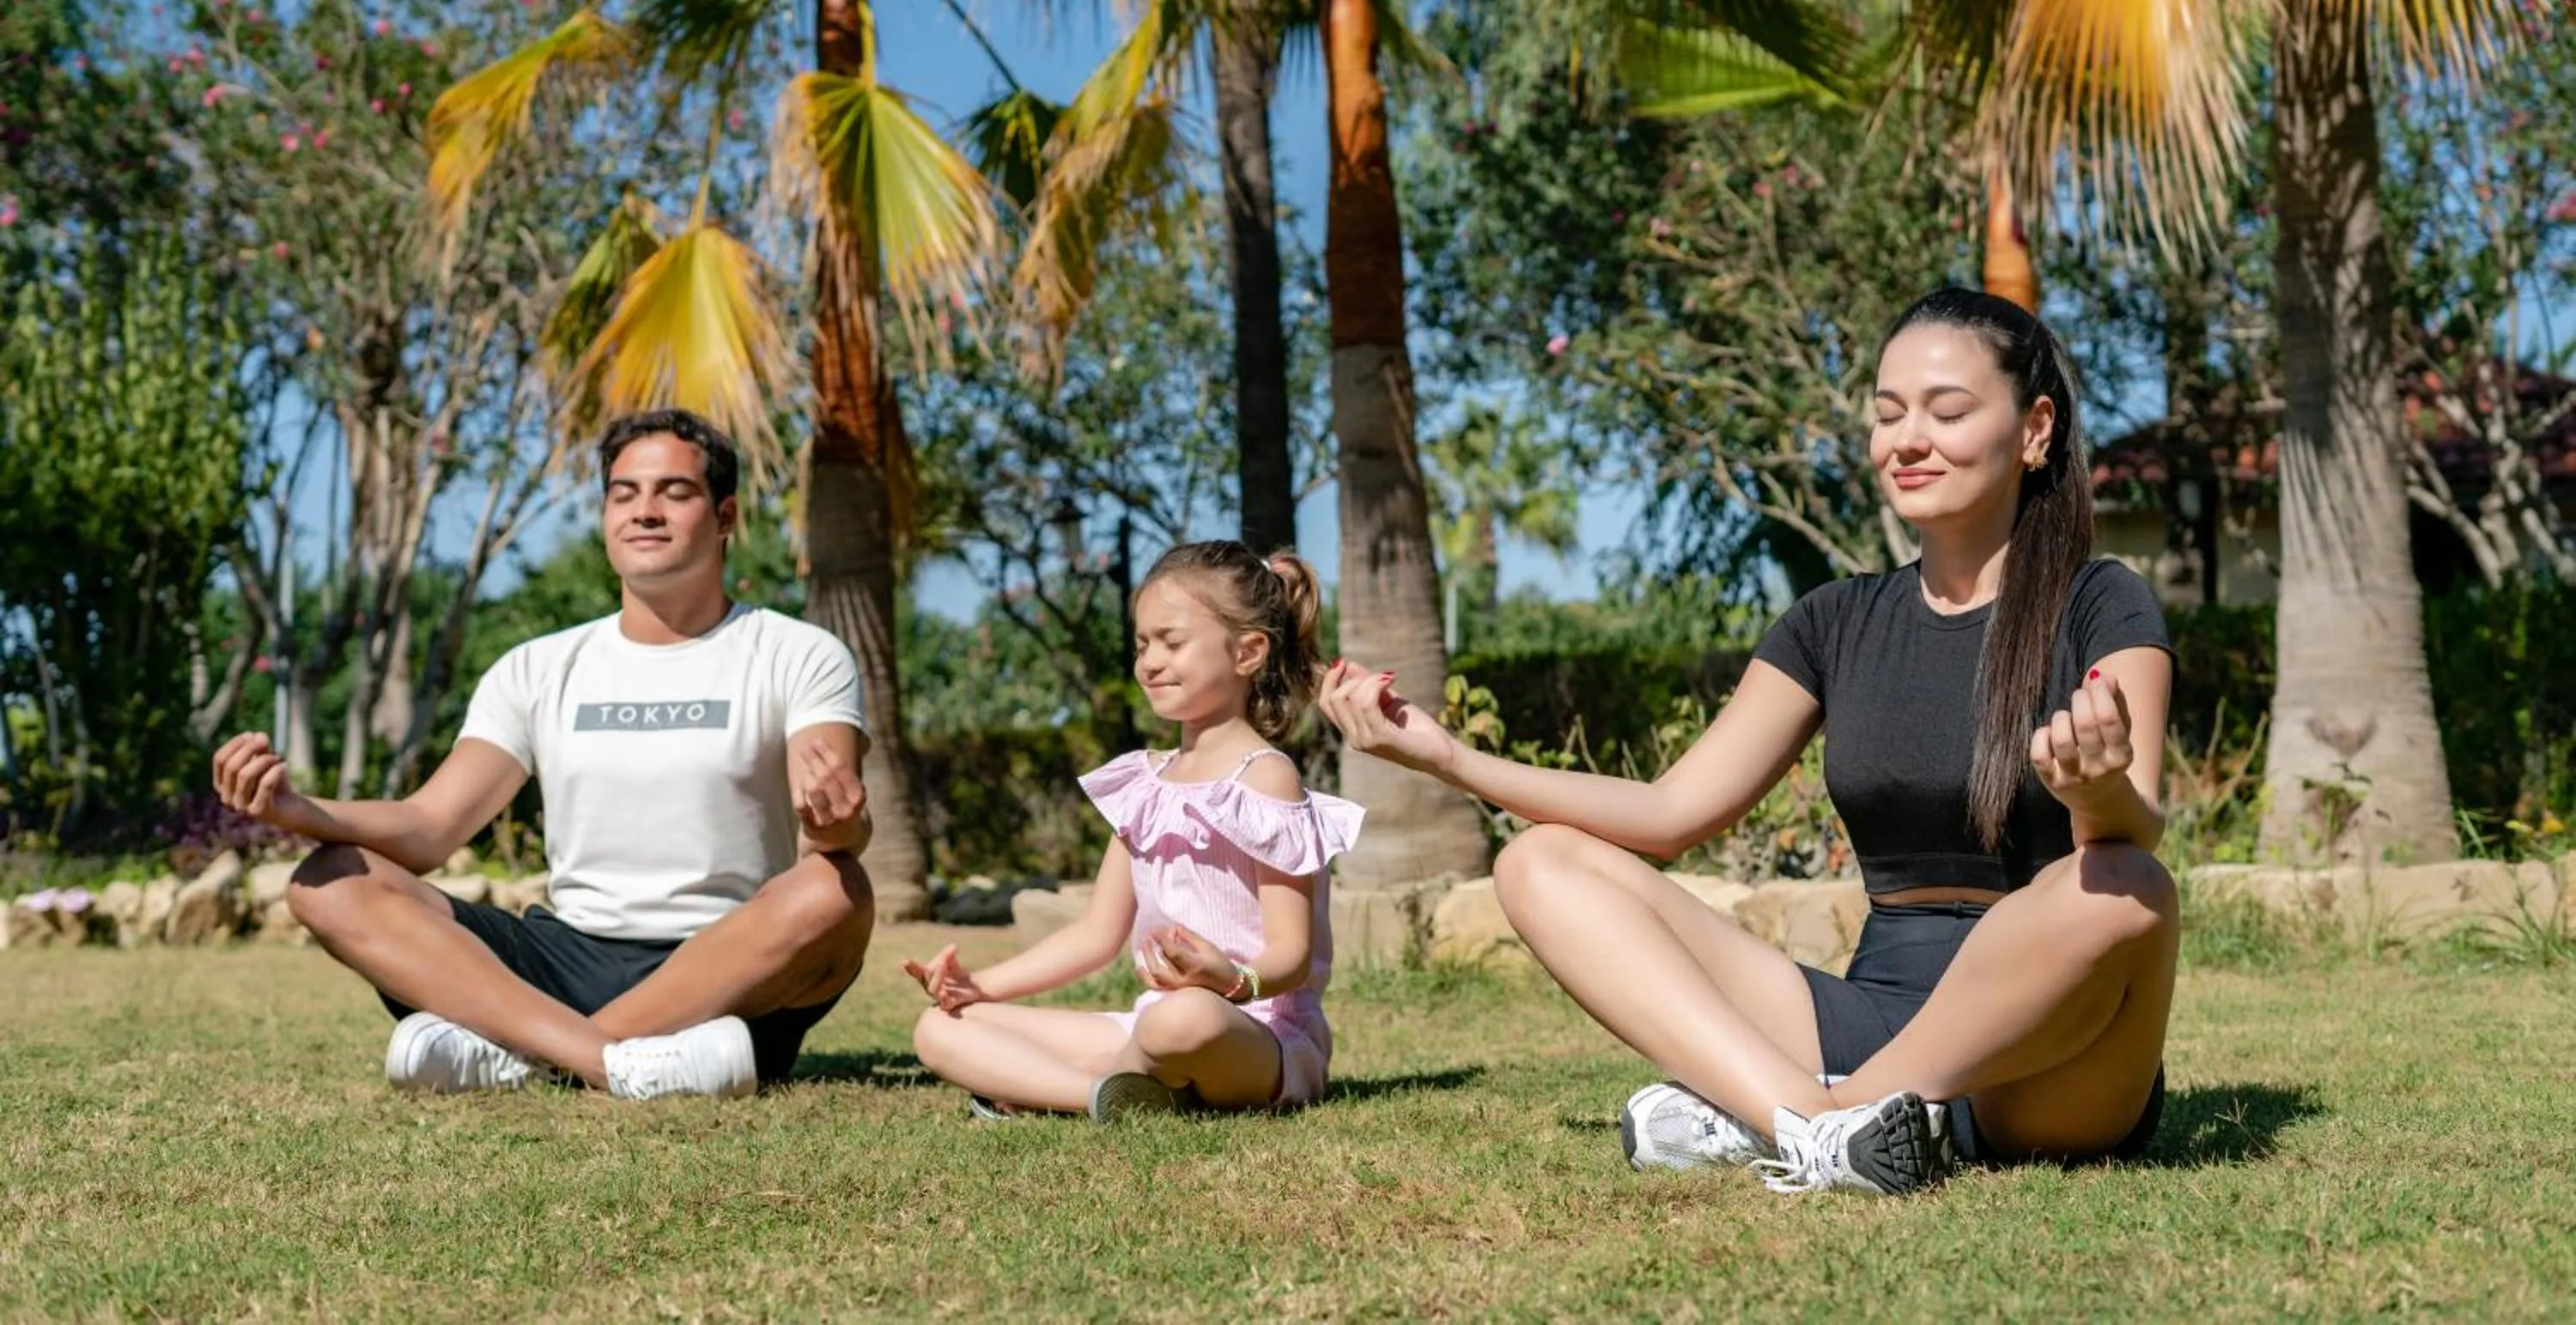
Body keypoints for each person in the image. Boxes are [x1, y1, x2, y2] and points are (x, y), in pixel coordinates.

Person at [1320, 288, 2178, 1194]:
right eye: (1888, 415)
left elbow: (2135, 827)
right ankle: (1820, 1122)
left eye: (1947, 410)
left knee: (2125, 885)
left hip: (2048, 1068)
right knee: (1540, 864)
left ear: (2035, 429)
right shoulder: (1833, 621)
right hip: (1863, 1018)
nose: (1907, 439)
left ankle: (1803, 1119)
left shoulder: (2101, 602)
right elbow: (1669, 813)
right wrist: (1449, 759)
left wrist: (2097, 793)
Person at [209, 409, 876, 1100]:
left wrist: (835, 825)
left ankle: (525, 1057)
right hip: (560, 960)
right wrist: (299, 810)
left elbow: (833, 826)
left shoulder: (798, 654)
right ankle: (617, 1064)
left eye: (674, 492)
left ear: (725, 514)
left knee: (836, 887)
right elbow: (429, 828)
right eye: (624, 493)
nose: (644, 511)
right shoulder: (537, 667)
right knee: (330, 880)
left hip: (725, 964)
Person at [907, 542, 1362, 1121]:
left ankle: (1059, 1085)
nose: (1150, 661)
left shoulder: (1268, 779)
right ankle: (1109, 1095)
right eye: (1144, 643)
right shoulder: (1146, 784)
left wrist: (1231, 980)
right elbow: (1097, 935)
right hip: (1150, 1026)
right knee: (939, 1029)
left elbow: (1292, 955)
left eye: (1173, 642)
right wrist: (981, 986)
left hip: (1254, 1033)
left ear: (1248, 653)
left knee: (1184, 1018)